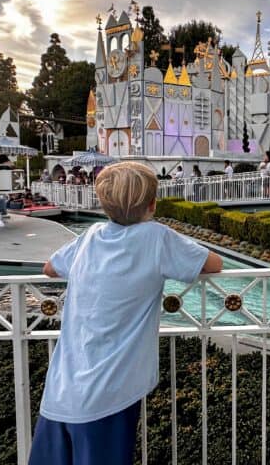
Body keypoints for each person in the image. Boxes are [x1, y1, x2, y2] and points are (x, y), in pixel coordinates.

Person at [28, 161, 223, 465]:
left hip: (60, 394)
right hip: (108, 397)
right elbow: (214, 264)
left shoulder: (91, 236)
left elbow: (50, 268)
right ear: (152, 205)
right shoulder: (156, 237)